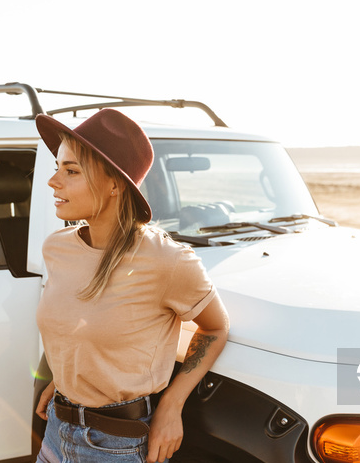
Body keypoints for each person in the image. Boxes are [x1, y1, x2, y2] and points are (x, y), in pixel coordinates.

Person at [34, 109, 229, 463]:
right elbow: (73, 325)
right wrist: (67, 379)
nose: (53, 181)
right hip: (56, 431)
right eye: (57, 168)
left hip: (119, 445)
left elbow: (216, 328)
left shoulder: (168, 260)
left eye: (71, 171)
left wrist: (171, 404)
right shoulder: (56, 247)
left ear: (114, 184)